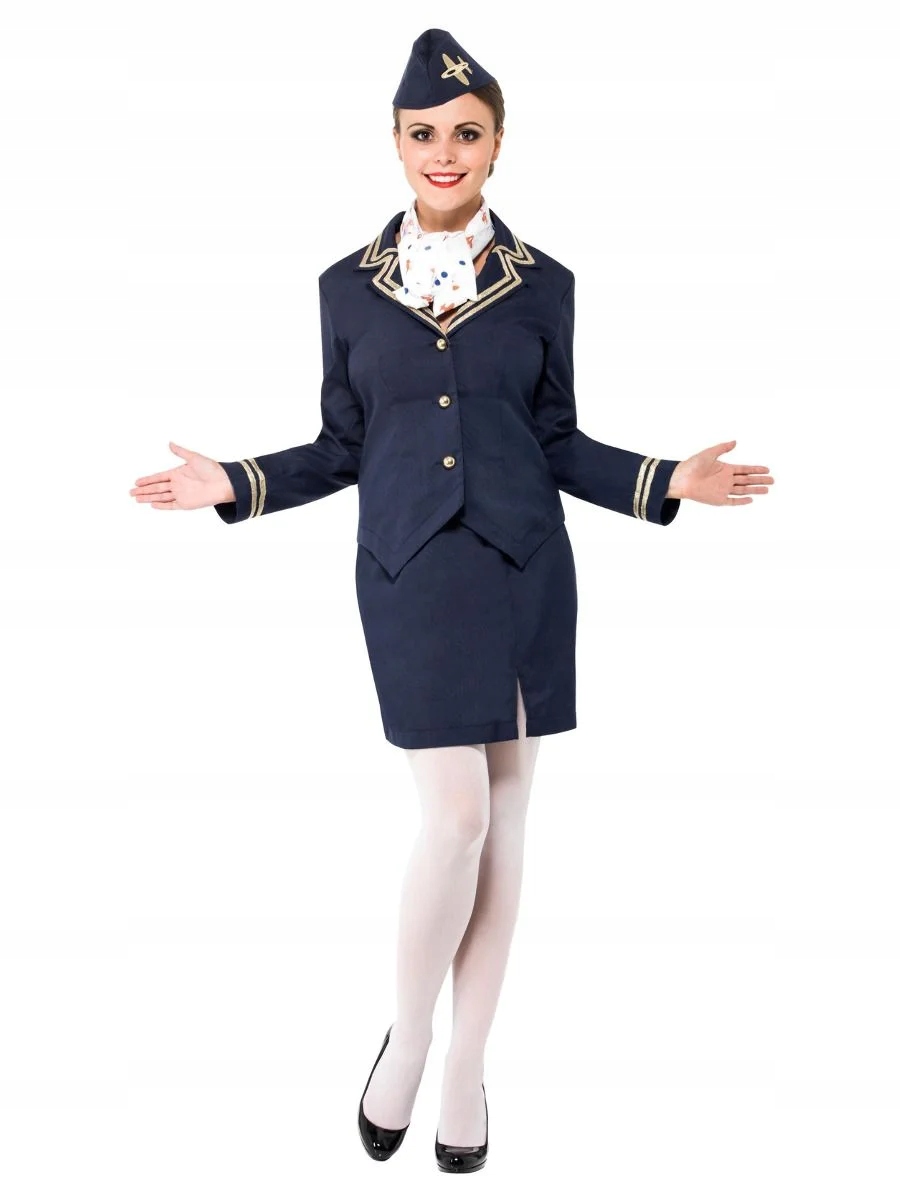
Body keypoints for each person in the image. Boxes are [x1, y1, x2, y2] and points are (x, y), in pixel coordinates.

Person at [129, 27, 774, 1173]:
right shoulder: (344, 288)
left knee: (509, 821)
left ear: (498, 143)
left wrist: (664, 479)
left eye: (465, 133)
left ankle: (469, 1063)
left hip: (525, 567)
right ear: (394, 142)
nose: (444, 152)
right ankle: (411, 1037)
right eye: (423, 133)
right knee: (459, 818)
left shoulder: (546, 285)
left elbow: (555, 436)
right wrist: (236, 481)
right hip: (411, 573)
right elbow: (345, 444)